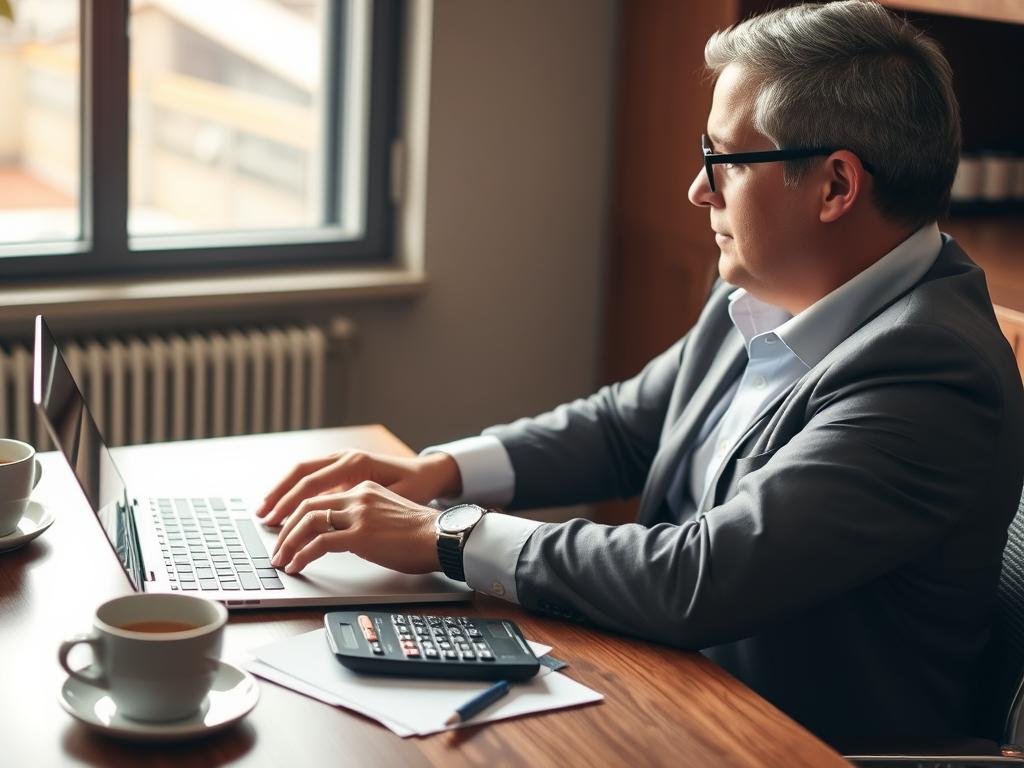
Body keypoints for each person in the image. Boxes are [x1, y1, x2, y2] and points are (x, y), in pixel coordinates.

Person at [257, 0, 1024, 748]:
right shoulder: (766, 285)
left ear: (834, 187)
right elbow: (631, 421)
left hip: (776, 738)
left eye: (723, 160)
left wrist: (445, 535)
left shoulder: (930, 372)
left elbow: (705, 575)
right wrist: (439, 471)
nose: (699, 189)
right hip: (666, 682)